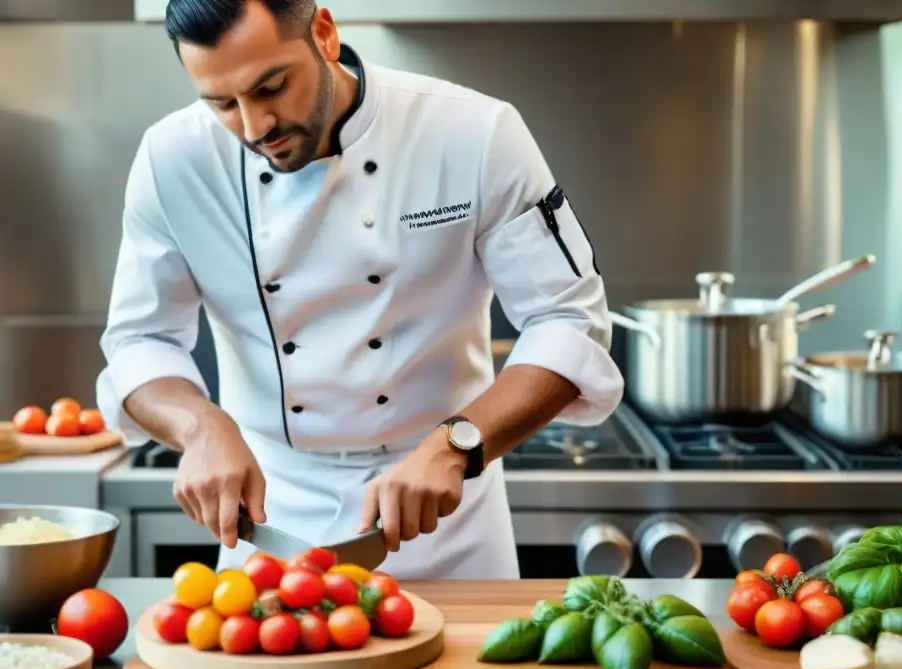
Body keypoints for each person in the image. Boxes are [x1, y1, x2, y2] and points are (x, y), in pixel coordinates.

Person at [97, 0, 623, 579]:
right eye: (222, 103)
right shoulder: (173, 159)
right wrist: (199, 425)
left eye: (271, 87)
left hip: (446, 513)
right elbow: (140, 338)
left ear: (323, 33)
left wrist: (457, 445)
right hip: (271, 521)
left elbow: (568, 320)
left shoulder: (474, 133)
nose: (254, 127)